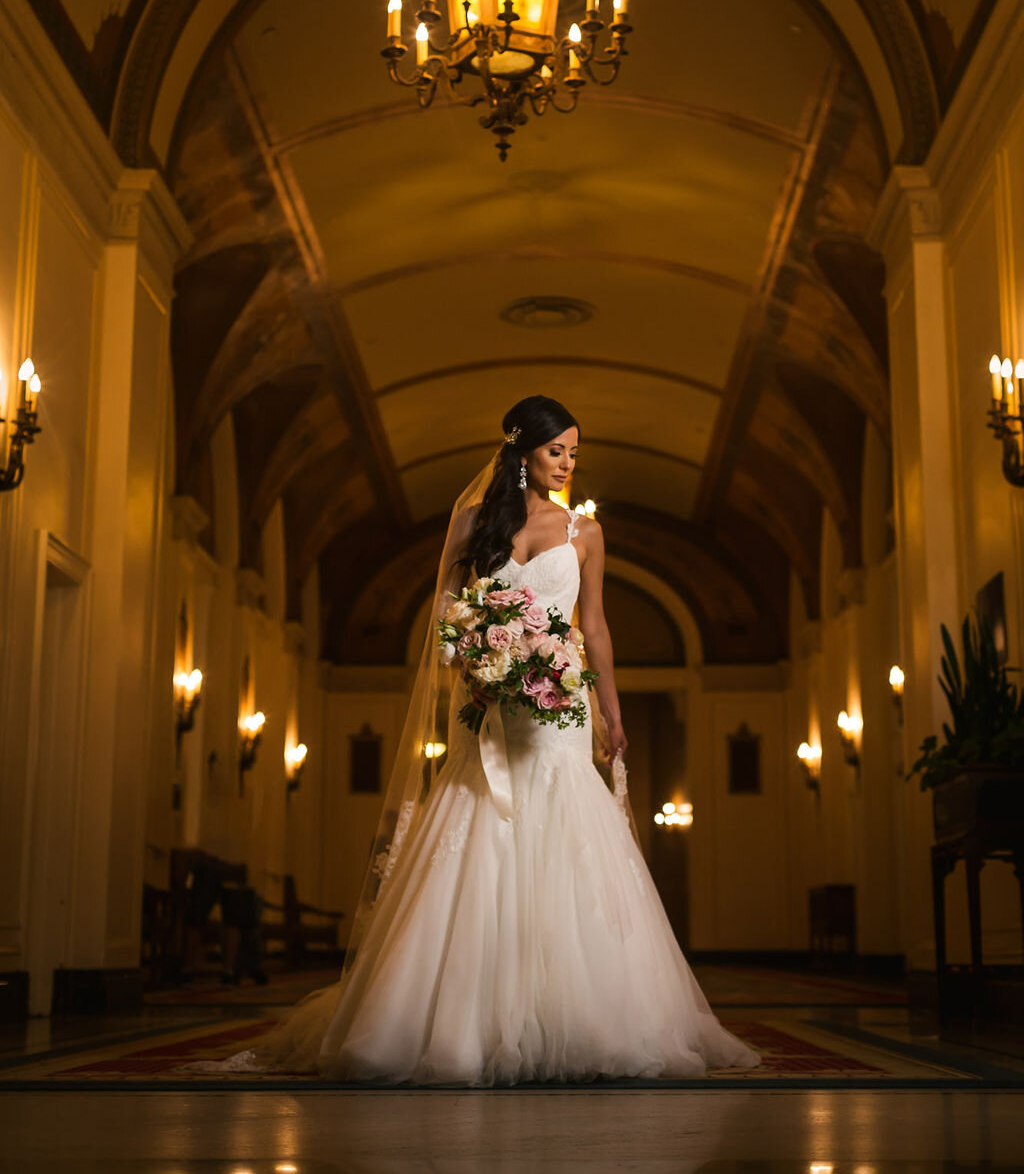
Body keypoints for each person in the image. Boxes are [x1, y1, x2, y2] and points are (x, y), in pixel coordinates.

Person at [199, 395, 760, 1083]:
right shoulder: (471, 524)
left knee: (566, 842)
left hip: (559, 716)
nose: (569, 464)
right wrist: (475, 663)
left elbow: (596, 626)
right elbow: (445, 614)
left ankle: (590, 1018)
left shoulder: (584, 532)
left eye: (576, 453)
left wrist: (611, 713)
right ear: (523, 449)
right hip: (490, 712)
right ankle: (454, 1022)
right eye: (559, 451)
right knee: (480, 833)